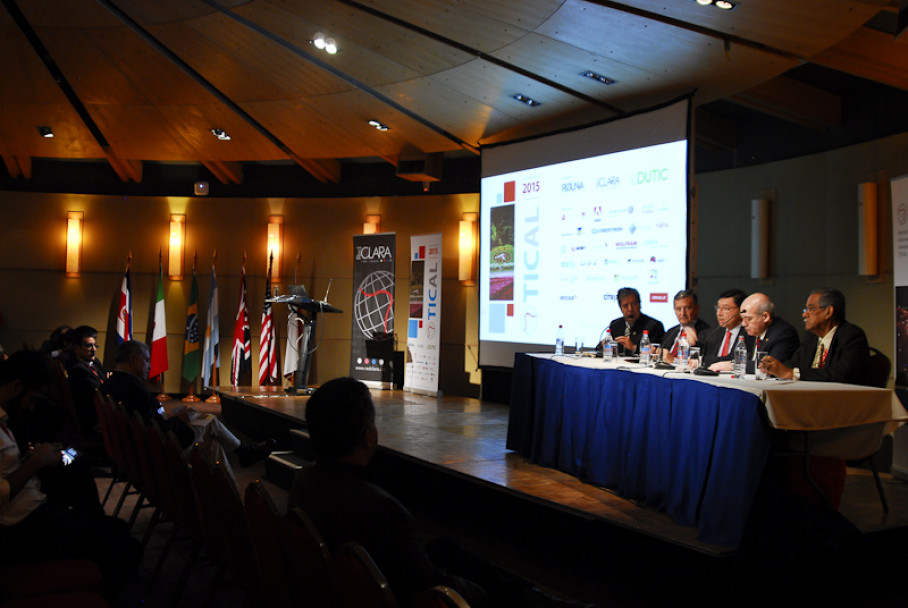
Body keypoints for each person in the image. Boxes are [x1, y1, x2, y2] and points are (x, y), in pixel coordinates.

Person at [288, 377, 591, 608]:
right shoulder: (381, 510)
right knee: (491, 587)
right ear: (369, 437)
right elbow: (428, 588)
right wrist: (478, 592)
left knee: (447, 550)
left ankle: (534, 596)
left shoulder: (304, 482)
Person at [0, 350, 141, 596]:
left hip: (34, 507)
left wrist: (35, 459)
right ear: (16, 386)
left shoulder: (6, 417)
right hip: (19, 529)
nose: (32, 407)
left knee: (114, 523)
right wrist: (33, 464)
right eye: (32, 399)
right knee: (127, 548)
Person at [102, 340, 273, 466]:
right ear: (134, 359)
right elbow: (157, 428)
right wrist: (180, 419)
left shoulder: (112, 384)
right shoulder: (134, 389)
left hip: (134, 449)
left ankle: (221, 494)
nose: (149, 365)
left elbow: (150, 418)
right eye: (146, 360)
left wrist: (174, 412)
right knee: (210, 421)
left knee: (212, 445)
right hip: (160, 449)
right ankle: (243, 454)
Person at [760, 288, 870, 384]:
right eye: (805, 309)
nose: (804, 314)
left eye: (811, 309)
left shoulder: (852, 336)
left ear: (828, 311)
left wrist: (792, 373)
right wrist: (774, 367)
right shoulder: (811, 337)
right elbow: (794, 363)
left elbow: (841, 374)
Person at [739, 292, 799, 374]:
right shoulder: (750, 331)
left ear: (765, 317)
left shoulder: (783, 333)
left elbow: (770, 367)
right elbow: (733, 356)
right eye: (742, 319)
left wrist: (734, 365)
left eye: (748, 319)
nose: (743, 324)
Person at [65, 325, 106, 439]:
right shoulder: (77, 369)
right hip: (92, 418)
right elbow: (98, 392)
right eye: (89, 346)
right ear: (76, 349)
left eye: (95, 345)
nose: (94, 350)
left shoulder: (95, 362)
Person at [701, 288, 753, 371]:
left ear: (741, 310)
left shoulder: (749, 333)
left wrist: (702, 361)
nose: (719, 313)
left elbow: (732, 359)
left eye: (726, 308)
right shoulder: (714, 333)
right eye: (718, 308)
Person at [605, 287, 664, 355]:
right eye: (625, 306)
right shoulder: (615, 325)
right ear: (620, 308)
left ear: (640, 305)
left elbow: (658, 353)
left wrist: (634, 348)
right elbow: (601, 349)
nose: (630, 309)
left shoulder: (654, 326)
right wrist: (603, 345)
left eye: (633, 304)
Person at [660, 290, 710, 363]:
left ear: (697, 308)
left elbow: (701, 362)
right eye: (678, 309)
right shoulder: (671, 332)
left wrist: (674, 361)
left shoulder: (707, 333)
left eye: (687, 308)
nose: (682, 313)